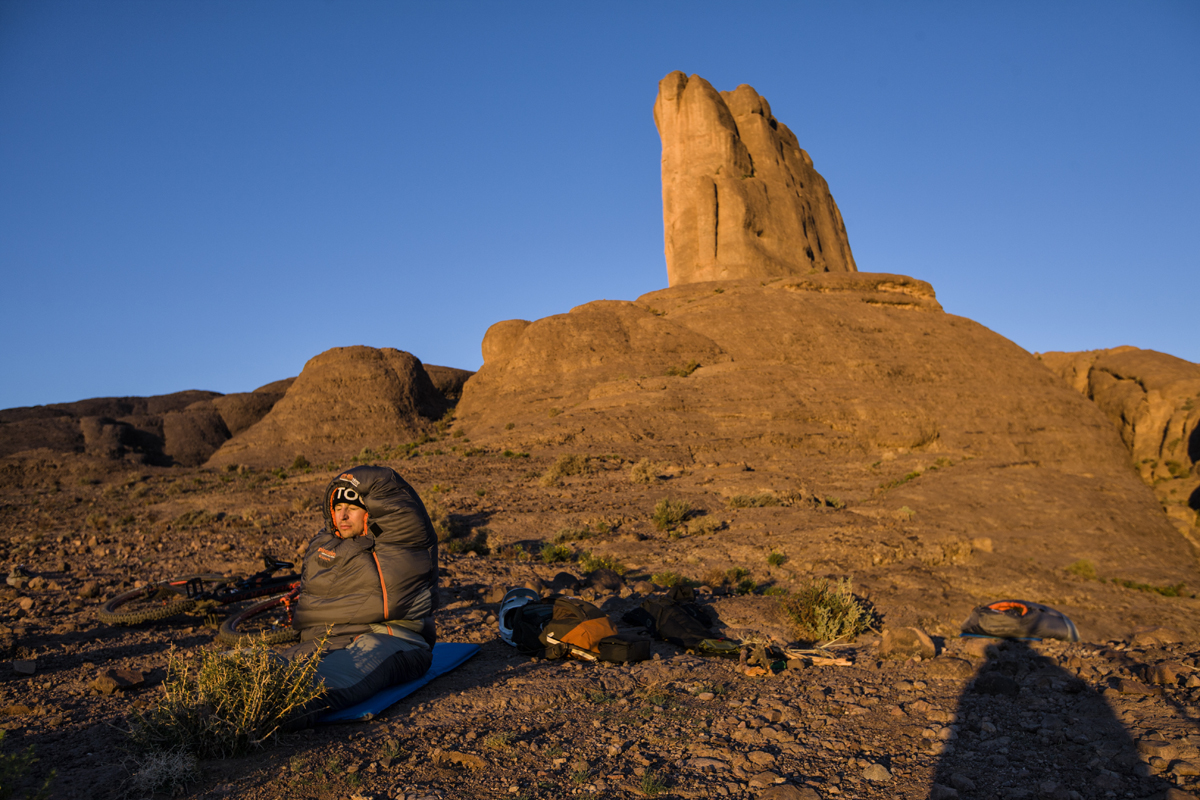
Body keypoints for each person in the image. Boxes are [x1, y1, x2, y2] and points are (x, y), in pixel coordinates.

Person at [284, 464, 439, 712]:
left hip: (391, 638)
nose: (343, 516)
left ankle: (280, 708)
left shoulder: (396, 545)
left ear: (369, 512)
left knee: (309, 687)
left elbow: (400, 512)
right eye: (337, 508)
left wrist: (350, 481)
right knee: (252, 665)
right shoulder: (325, 545)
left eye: (353, 508)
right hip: (328, 640)